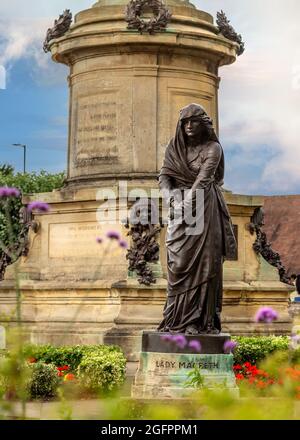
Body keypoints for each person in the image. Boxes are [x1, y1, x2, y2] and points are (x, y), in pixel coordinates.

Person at [157, 103, 237, 335]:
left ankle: (199, 321)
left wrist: (185, 206)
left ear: (204, 124)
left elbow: (203, 180)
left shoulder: (213, 148)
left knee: (205, 264)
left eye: (194, 121)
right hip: (180, 207)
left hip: (206, 207)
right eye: (185, 122)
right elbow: (164, 176)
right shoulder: (175, 147)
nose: (189, 126)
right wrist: (172, 199)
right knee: (178, 264)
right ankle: (174, 320)